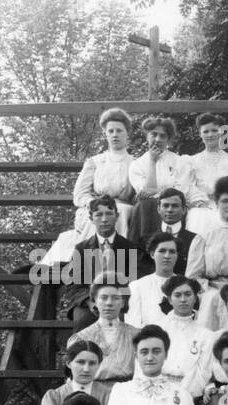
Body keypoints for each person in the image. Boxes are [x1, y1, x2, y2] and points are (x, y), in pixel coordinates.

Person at [53, 197, 145, 329]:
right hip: (90, 304)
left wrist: (117, 301)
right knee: (82, 320)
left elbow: (134, 282)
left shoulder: (130, 248)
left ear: (117, 216)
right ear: (91, 218)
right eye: (99, 215)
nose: (104, 219)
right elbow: (74, 285)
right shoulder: (82, 248)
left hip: (120, 302)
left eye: (109, 214)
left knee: (127, 319)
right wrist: (90, 302)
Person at [127, 116, 203, 245]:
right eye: (154, 134)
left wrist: (156, 193)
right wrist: (152, 161)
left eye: (162, 136)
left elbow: (181, 191)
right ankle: (143, 252)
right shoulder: (137, 165)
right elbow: (146, 192)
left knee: (162, 205)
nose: (157, 139)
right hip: (148, 210)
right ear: (147, 136)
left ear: (168, 139)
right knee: (145, 205)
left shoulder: (180, 162)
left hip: (173, 206)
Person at [72, 108, 136, 238]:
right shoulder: (95, 162)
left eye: (119, 130)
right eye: (110, 131)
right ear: (105, 134)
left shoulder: (135, 163)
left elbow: (139, 193)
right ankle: (90, 255)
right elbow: (80, 193)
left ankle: (119, 256)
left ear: (127, 133)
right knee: (99, 215)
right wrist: (92, 203)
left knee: (121, 212)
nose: (115, 135)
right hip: (95, 207)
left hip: (123, 209)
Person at [183, 112, 228, 234]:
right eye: (206, 131)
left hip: (226, 205)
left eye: (214, 131)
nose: (210, 135)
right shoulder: (192, 161)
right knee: (198, 216)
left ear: (221, 132)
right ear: (200, 134)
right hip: (202, 206)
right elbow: (190, 185)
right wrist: (200, 202)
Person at [158, 274, 215, 399]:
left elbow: (203, 372)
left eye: (188, 294)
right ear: (169, 299)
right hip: (160, 392)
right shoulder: (158, 329)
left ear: (195, 298)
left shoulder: (206, 335)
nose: (183, 299)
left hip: (190, 395)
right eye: (177, 295)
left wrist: (185, 395)